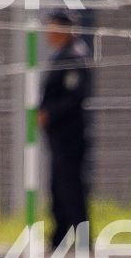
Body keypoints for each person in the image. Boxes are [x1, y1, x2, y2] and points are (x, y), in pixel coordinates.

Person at [38, 12, 94, 245]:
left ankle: (82, 238)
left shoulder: (74, 56)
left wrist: (50, 113)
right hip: (57, 136)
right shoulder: (60, 55)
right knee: (57, 187)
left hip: (70, 135)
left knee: (71, 187)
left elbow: (75, 95)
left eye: (52, 28)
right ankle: (59, 236)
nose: (48, 34)